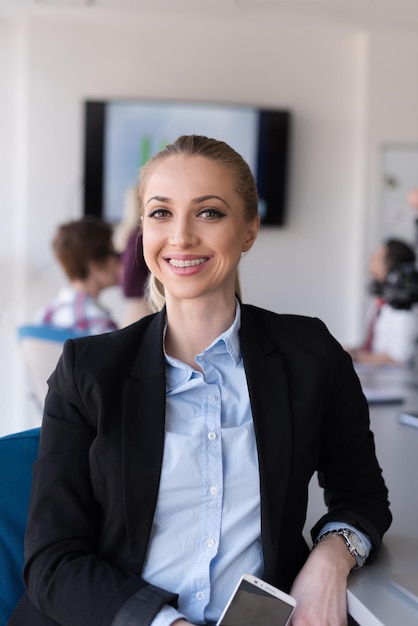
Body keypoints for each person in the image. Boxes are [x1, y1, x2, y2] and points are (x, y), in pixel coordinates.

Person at [9, 135, 392, 626]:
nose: (181, 237)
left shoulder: (310, 353)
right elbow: (52, 561)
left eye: (209, 212)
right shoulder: (87, 369)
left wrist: (330, 558)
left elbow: (362, 498)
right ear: (142, 231)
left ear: (250, 229)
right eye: (160, 213)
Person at [35, 216, 120, 335]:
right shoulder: (99, 324)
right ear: (95, 265)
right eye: (114, 254)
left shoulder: (45, 315)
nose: (119, 261)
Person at [347, 238, 416, 365]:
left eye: (377, 256)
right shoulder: (380, 303)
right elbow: (375, 347)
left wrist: (355, 357)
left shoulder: (402, 310)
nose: (371, 259)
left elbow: (398, 358)